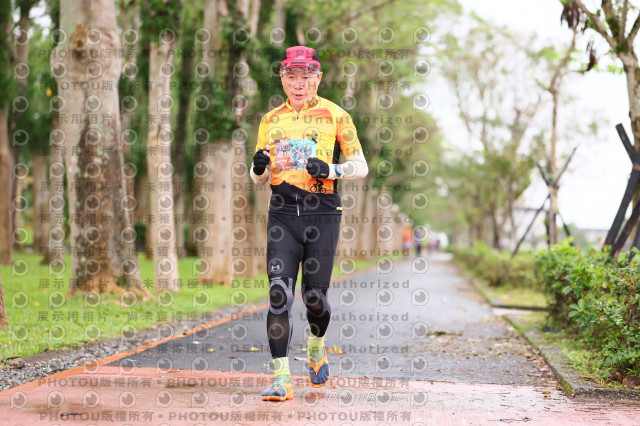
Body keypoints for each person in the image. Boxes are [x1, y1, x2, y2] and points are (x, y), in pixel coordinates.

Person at [250, 46, 369, 401]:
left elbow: (361, 166)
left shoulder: (337, 115)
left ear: (318, 78)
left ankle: (316, 345)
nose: (298, 84)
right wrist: (258, 167)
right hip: (283, 212)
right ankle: (281, 379)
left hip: (323, 213)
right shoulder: (270, 120)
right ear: (282, 79)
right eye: (291, 77)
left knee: (315, 298)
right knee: (278, 295)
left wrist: (331, 169)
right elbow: (259, 178)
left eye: (306, 77)